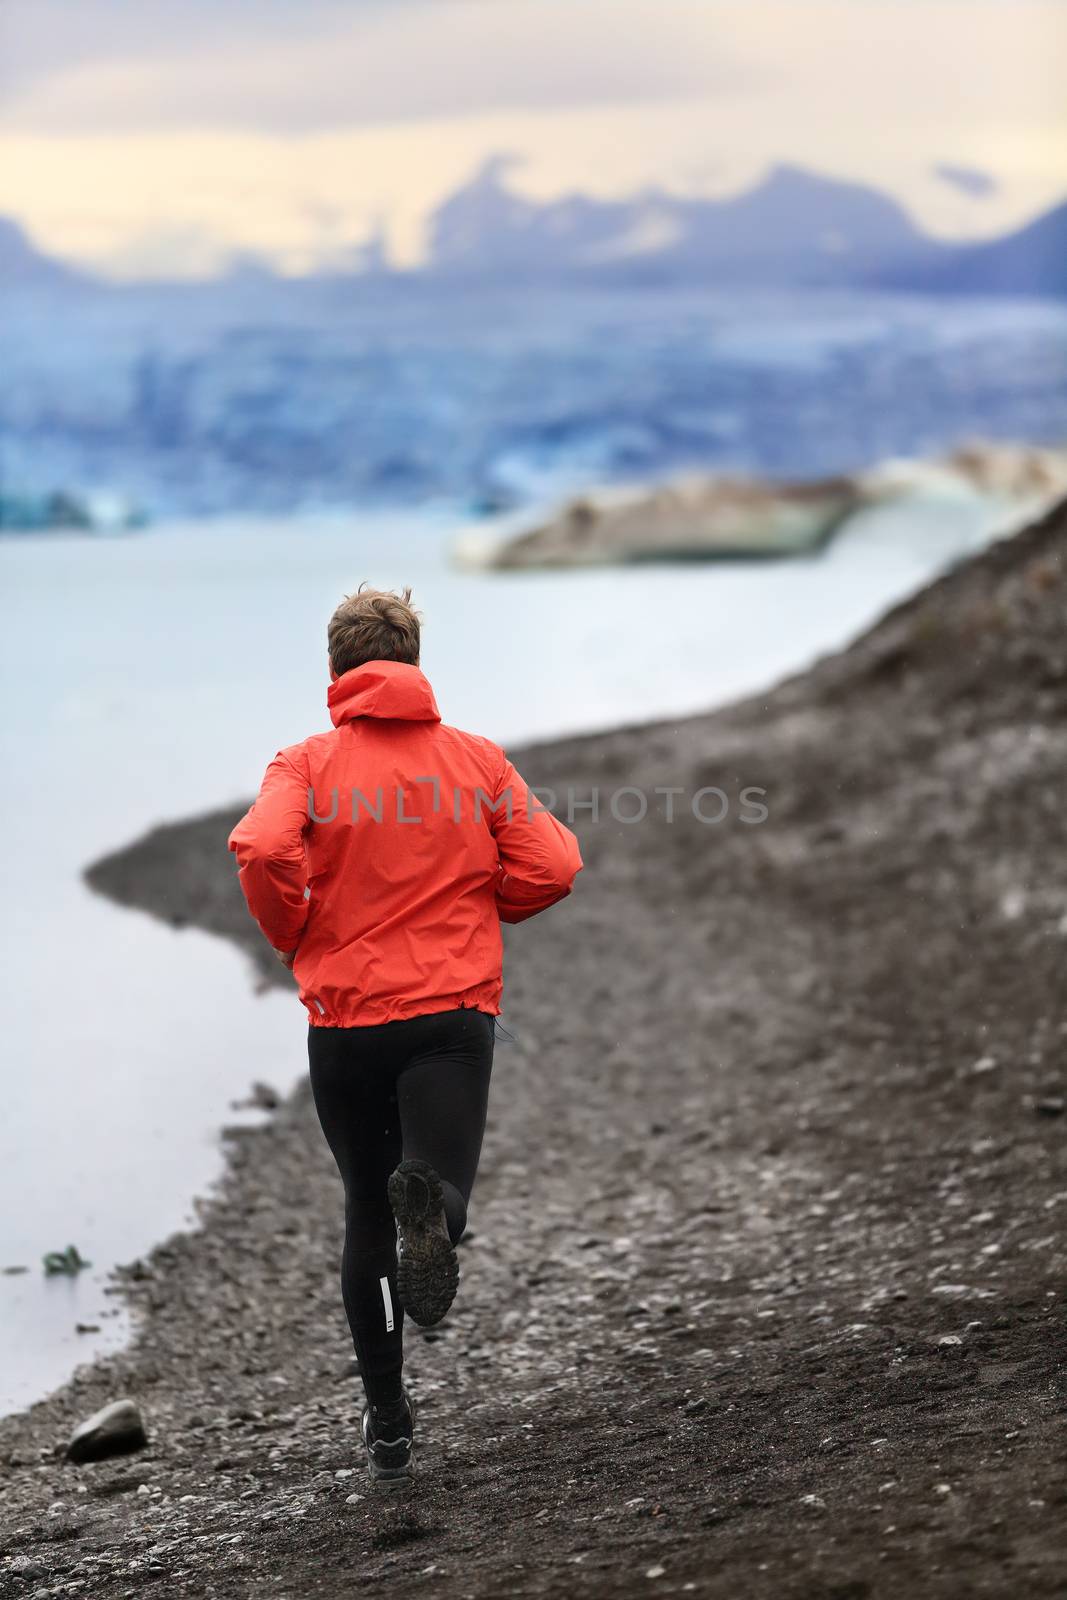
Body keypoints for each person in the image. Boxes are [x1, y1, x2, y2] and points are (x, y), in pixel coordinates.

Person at [228, 585, 582, 1487]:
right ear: (415, 664)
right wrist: (487, 903)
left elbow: (265, 850)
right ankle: (433, 1216)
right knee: (433, 1192)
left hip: (345, 1022)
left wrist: (293, 929)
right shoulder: (475, 760)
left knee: (362, 1213)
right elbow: (553, 863)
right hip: (449, 1016)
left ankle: (387, 1421)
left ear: (338, 671)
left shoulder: (303, 763)